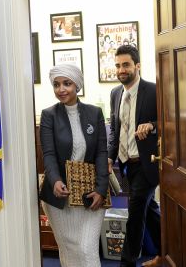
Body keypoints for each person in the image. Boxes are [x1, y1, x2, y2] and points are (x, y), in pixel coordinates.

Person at [39, 64, 109, 267]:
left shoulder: (95, 113)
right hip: (59, 196)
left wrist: (101, 189)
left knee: (86, 248)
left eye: (67, 83)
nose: (61, 89)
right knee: (69, 248)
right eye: (56, 84)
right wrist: (55, 181)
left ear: (77, 85)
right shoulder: (48, 115)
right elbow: (49, 154)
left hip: (91, 194)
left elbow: (101, 153)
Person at [107, 45, 162, 267]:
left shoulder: (153, 90)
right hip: (126, 164)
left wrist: (152, 125)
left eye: (126, 64)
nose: (121, 70)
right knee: (149, 211)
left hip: (147, 164)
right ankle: (167, 254)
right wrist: (111, 157)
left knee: (136, 212)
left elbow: (170, 121)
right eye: (118, 65)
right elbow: (115, 129)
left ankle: (127, 263)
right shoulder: (115, 93)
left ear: (137, 66)